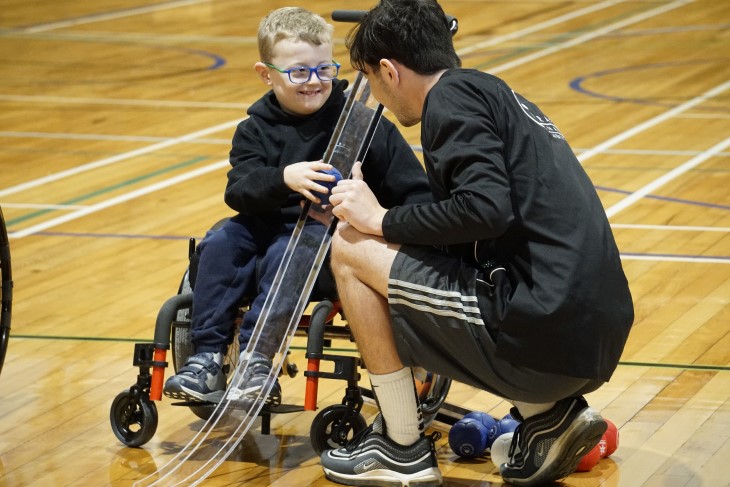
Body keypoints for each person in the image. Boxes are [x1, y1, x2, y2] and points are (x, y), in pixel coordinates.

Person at [320, 1, 634, 486]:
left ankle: (400, 444)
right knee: (406, 260)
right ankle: (548, 417)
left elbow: (484, 210)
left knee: (350, 248)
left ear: (388, 70)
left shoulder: (449, 103)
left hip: (546, 333)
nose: (379, 97)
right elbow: (484, 223)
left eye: (373, 81)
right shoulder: (492, 92)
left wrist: (378, 218)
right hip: (589, 335)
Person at [163, 7, 432, 408]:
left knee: (285, 251)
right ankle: (206, 360)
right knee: (220, 240)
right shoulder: (253, 130)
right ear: (265, 73)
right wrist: (283, 177)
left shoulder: (362, 125)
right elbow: (239, 190)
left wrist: (373, 214)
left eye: (324, 70)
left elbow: (416, 194)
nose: (314, 82)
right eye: (299, 72)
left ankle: (257, 360)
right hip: (260, 229)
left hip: (322, 246)